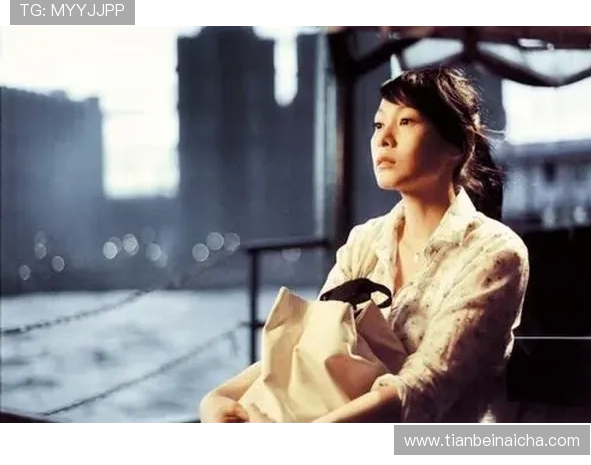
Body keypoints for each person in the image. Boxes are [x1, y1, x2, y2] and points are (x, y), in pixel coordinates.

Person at [199, 67, 530, 424]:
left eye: (406, 122)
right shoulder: (366, 241)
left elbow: (421, 388)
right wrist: (220, 396)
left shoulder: (495, 254)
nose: (384, 138)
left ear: (458, 145)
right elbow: (311, 345)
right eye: (378, 124)